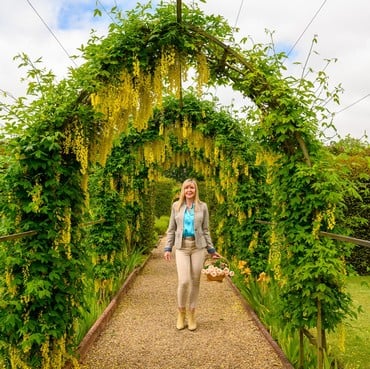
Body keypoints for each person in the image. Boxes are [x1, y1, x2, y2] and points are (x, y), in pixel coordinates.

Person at [164, 178, 219, 331]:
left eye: (192, 188)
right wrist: (168, 248)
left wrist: (211, 250)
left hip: (198, 247)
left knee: (195, 281)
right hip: (182, 247)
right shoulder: (176, 206)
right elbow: (171, 229)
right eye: (186, 188)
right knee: (184, 281)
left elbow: (206, 230)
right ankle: (181, 312)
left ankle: (192, 314)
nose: (189, 190)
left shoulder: (203, 207)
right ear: (183, 190)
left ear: (196, 190)